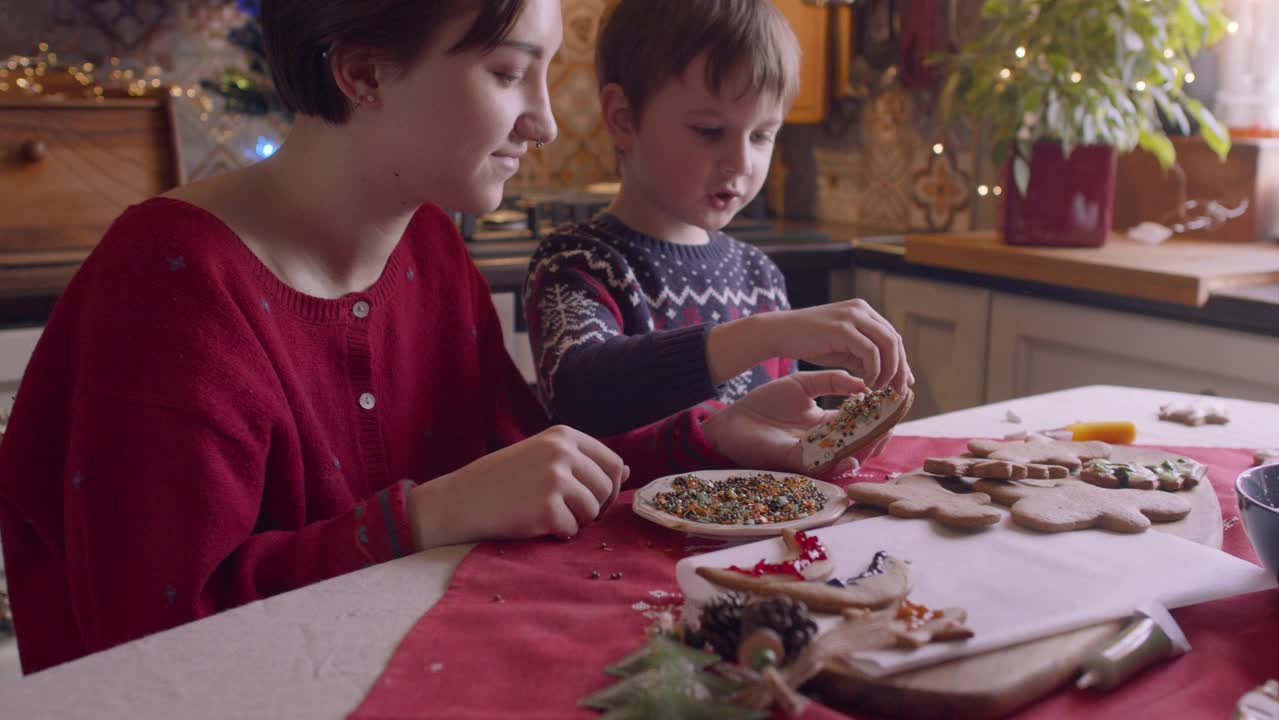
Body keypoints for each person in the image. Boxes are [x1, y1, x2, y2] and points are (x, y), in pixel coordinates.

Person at [0, 0, 884, 675]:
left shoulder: (425, 243)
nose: (542, 122)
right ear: (364, 73)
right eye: (509, 74)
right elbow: (155, 635)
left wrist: (710, 433)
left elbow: (525, 469)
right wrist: (427, 514)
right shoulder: (173, 283)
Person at [523, 0, 913, 437]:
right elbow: (583, 396)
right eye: (710, 131)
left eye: (762, 135)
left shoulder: (760, 275)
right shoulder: (576, 263)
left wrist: (819, 438)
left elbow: (777, 430)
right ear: (624, 118)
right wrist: (765, 335)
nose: (741, 162)